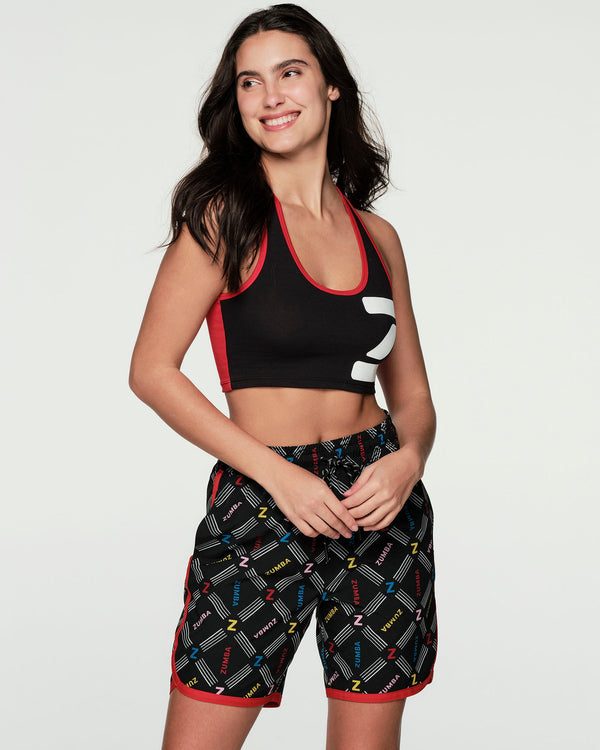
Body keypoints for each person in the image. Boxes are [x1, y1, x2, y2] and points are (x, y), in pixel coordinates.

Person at [129, 4, 437, 749]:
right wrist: (279, 477)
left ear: (331, 85)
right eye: (249, 82)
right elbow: (151, 371)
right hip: (264, 496)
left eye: (290, 72)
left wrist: (408, 461)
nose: (270, 96)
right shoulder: (225, 216)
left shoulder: (378, 237)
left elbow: (413, 395)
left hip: (379, 505)